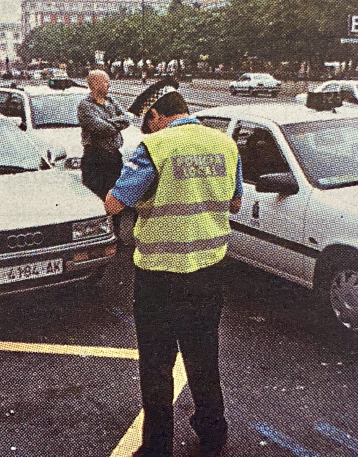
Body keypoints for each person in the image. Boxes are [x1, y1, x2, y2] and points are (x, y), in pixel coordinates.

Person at [105, 91, 242, 457]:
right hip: (209, 269)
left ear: (154, 115)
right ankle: (213, 433)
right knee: (203, 356)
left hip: (159, 275)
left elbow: (115, 202)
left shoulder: (155, 146)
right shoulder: (226, 144)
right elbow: (235, 202)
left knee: (157, 363)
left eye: (145, 121)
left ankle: (158, 446)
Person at [77, 69, 129, 199]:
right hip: (96, 159)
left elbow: (127, 119)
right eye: (105, 81)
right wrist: (116, 124)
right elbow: (100, 128)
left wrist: (109, 123)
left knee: (116, 197)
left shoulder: (110, 100)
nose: (109, 84)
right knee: (99, 196)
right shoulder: (85, 106)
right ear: (94, 84)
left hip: (114, 157)